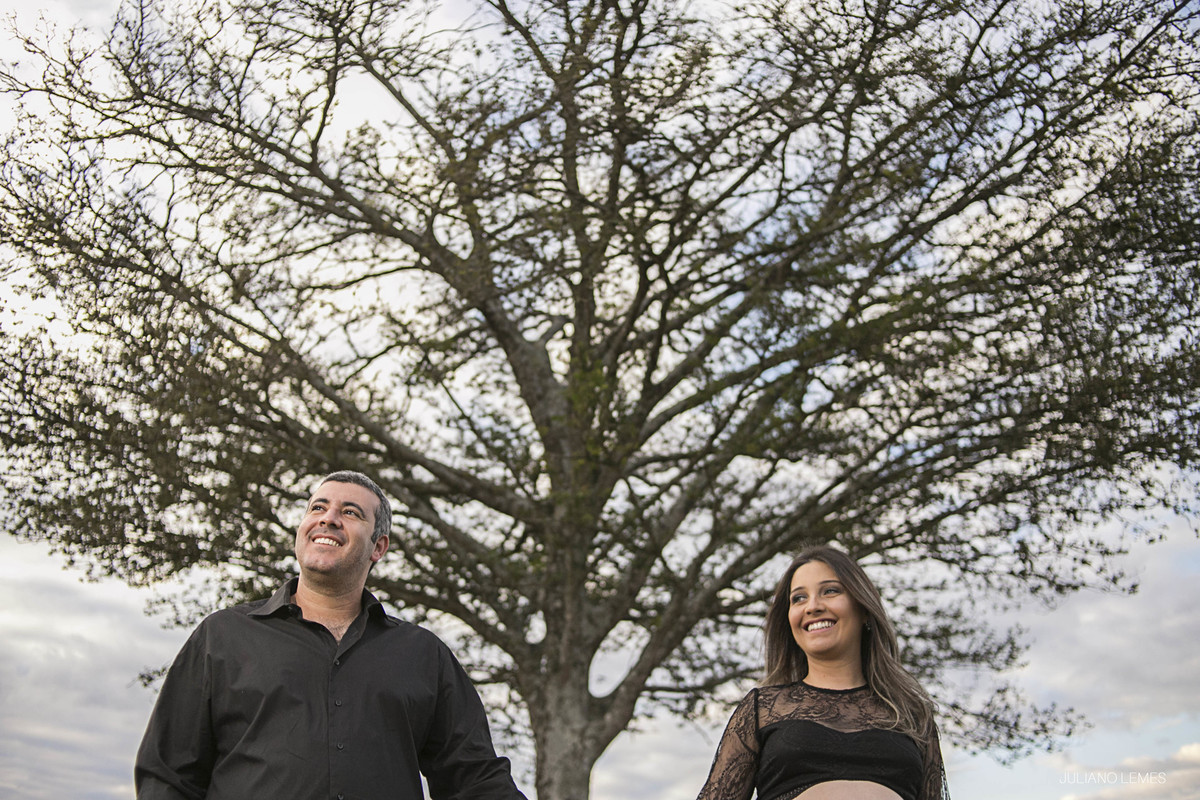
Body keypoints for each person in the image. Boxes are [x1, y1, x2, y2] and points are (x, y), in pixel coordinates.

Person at [136, 470, 528, 800]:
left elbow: (474, 779)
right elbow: (168, 775)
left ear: (378, 547)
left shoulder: (423, 655)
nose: (328, 518)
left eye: (351, 512)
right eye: (317, 508)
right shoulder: (222, 636)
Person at [695, 545, 949, 800]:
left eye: (830, 591)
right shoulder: (762, 710)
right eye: (799, 598)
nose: (812, 606)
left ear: (863, 609)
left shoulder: (913, 714)